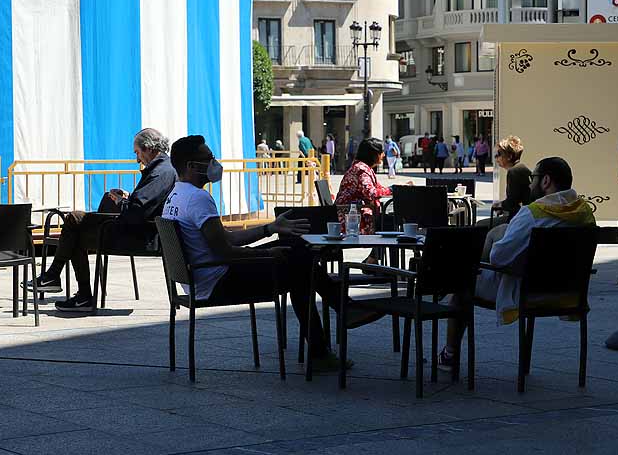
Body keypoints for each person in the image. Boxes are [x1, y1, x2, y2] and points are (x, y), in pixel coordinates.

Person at [162, 135, 366, 370]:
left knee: (297, 253)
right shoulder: (198, 198)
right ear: (190, 165)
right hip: (217, 281)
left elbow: (228, 237)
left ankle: (332, 329)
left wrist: (270, 228)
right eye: (208, 158)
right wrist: (267, 255)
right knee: (301, 265)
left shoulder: (176, 195)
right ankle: (340, 315)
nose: (213, 163)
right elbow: (225, 253)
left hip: (200, 278)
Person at [440, 157, 595, 368]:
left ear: (546, 181)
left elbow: (498, 258)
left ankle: (450, 354)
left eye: (534, 178)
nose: (530, 184)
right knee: (497, 234)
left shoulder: (533, 214)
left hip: (525, 291)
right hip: (568, 293)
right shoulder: (585, 214)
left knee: (463, 282)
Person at [26, 128, 176, 312]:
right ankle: (62, 282)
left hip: (142, 236)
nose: (137, 159)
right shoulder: (161, 170)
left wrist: (122, 202)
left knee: (75, 223)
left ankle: (60, 280)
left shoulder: (160, 172)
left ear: (148, 149)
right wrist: (126, 199)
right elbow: (145, 204)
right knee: (75, 224)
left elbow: (137, 211)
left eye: (137, 153)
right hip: (139, 230)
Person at [490, 136, 532, 222]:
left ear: (509, 156)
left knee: (481, 225)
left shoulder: (514, 172)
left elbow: (512, 203)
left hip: (522, 219)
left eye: (499, 154)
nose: (496, 158)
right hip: (526, 215)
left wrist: (500, 205)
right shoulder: (520, 168)